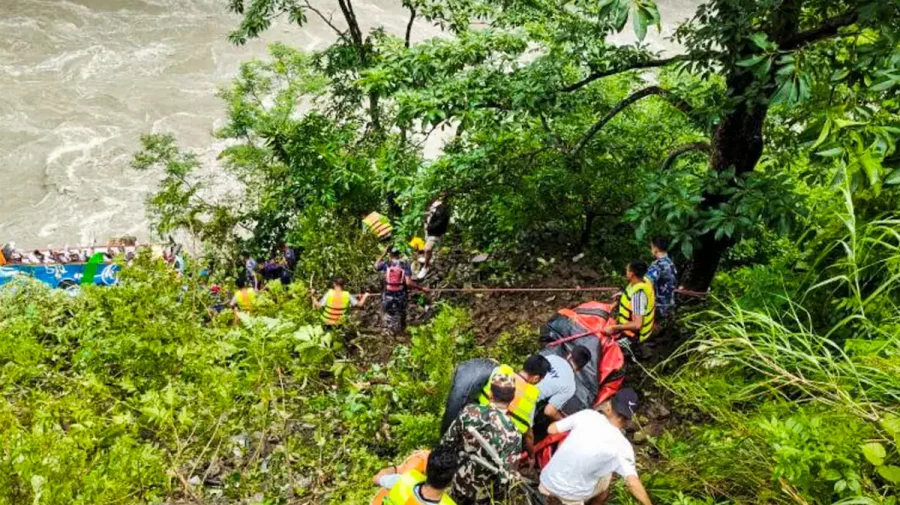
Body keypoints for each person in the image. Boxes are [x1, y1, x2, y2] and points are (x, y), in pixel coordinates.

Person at [539, 389, 652, 505]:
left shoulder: (587, 415)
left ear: (608, 407)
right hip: (571, 498)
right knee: (607, 477)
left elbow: (551, 429)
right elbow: (632, 482)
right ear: (628, 419)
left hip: (546, 484)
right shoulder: (623, 446)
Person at [440, 373, 522, 505]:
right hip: (483, 494)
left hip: (458, 481)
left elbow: (447, 442)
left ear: (490, 394)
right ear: (512, 398)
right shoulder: (513, 433)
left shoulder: (469, 411)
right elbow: (506, 477)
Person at [479, 355, 549, 456]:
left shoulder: (500, 370)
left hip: (479, 420)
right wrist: (531, 456)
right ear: (536, 378)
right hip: (498, 444)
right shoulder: (531, 396)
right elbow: (528, 434)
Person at [372, 444, 460, 505]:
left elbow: (375, 478)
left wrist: (397, 469)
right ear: (450, 481)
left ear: (427, 469)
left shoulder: (401, 482)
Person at [376, 246, 425, 335]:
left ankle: (390, 334)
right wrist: (421, 288)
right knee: (401, 313)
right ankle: (401, 332)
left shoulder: (387, 264)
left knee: (389, 314)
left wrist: (383, 253)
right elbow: (409, 283)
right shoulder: (404, 264)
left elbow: (376, 266)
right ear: (399, 254)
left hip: (388, 294)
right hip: (401, 295)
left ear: (390, 254)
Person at [603, 260, 655, 344]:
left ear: (632, 274)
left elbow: (637, 324)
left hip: (633, 335)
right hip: (629, 323)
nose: (626, 272)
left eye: (627, 270)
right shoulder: (642, 281)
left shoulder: (638, 297)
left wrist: (614, 328)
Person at [537, 346, 592, 421]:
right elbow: (549, 411)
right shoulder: (570, 386)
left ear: (569, 355)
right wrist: (565, 421)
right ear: (580, 368)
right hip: (526, 403)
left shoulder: (552, 358)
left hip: (518, 385)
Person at [417, 192, 451, 280]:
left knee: (427, 249)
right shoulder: (433, 204)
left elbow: (441, 221)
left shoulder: (443, 209)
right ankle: (426, 259)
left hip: (434, 231)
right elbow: (429, 215)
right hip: (428, 230)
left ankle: (426, 267)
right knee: (422, 244)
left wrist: (430, 226)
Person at [646, 237, 678, 319]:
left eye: (651, 247)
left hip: (659, 308)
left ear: (655, 248)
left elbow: (646, 283)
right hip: (670, 306)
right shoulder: (671, 263)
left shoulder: (659, 265)